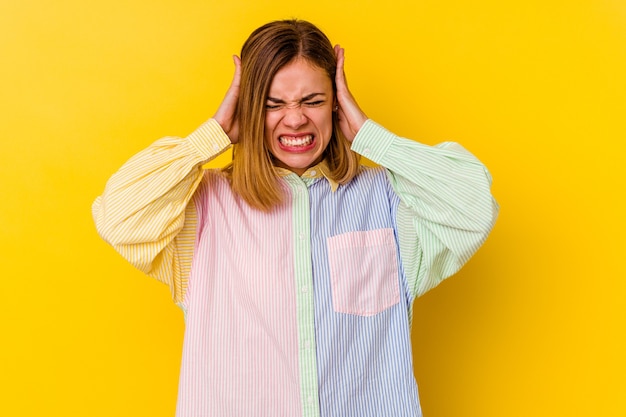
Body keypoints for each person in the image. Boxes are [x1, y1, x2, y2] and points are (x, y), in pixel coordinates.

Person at [93, 19, 498, 417]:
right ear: (250, 110)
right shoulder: (203, 209)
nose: (295, 119)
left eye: (312, 101)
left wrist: (371, 136)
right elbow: (119, 217)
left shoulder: (389, 201)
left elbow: (476, 205)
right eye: (272, 104)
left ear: (337, 103)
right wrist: (214, 134)